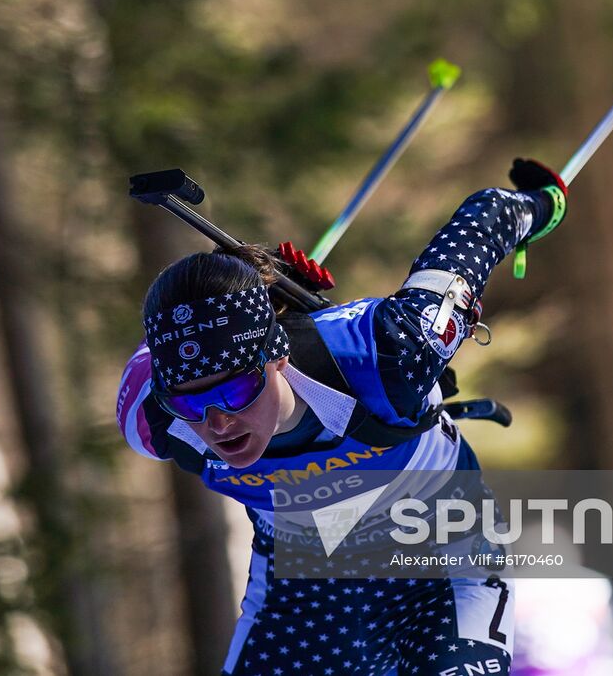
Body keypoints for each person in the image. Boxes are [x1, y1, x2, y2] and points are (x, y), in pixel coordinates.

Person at [116, 160, 567, 676]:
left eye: (237, 389)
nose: (218, 424)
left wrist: (541, 202)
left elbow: (481, 228)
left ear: (277, 354)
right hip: (305, 587)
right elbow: (173, 337)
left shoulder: (387, 351)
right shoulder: (152, 417)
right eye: (191, 404)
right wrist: (253, 281)